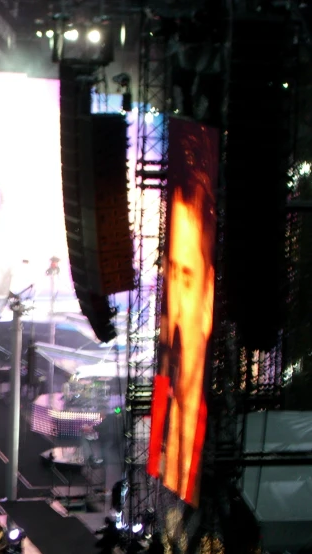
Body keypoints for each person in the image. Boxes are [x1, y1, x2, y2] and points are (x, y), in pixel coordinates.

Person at [148, 126, 217, 507]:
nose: (172, 307)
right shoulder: (159, 415)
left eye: (186, 278)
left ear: (209, 299)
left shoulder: (210, 445)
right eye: (170, 272)